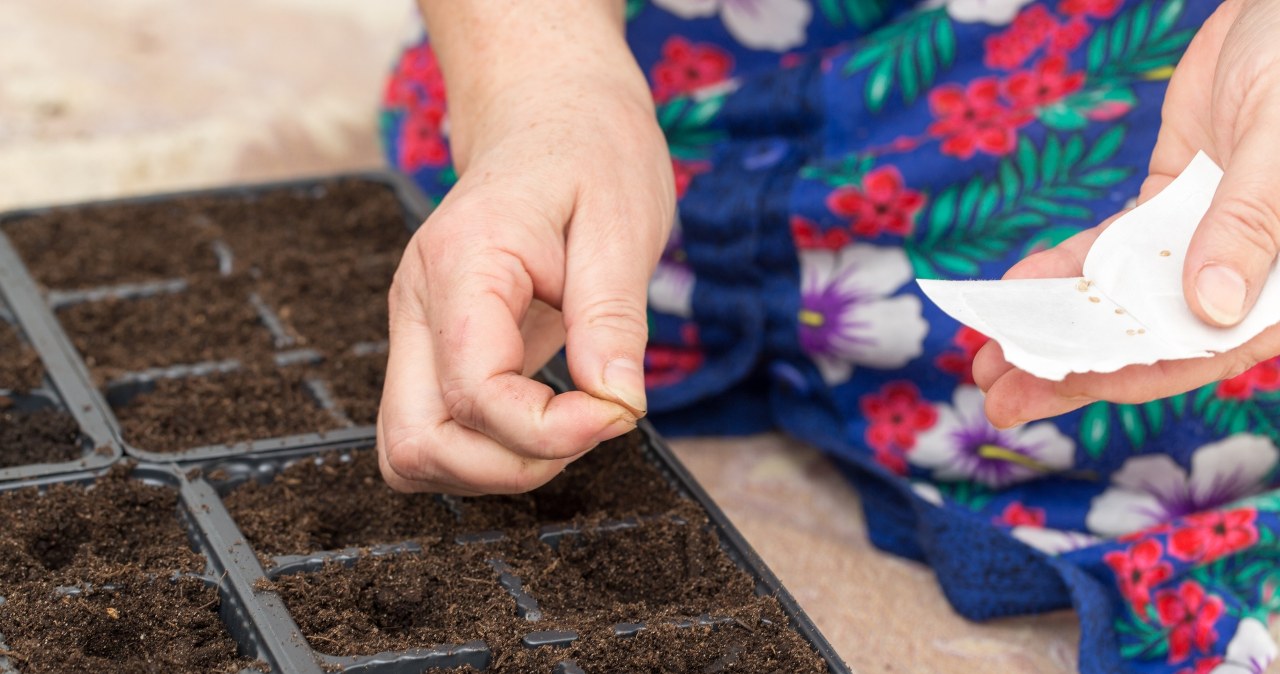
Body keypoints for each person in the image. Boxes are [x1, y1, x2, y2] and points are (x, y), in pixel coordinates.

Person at [379, 1, 1280, 672]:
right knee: (531, 261)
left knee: (1187, 357)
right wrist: (544, 87)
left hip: (1090, 63)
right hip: (644, 58)